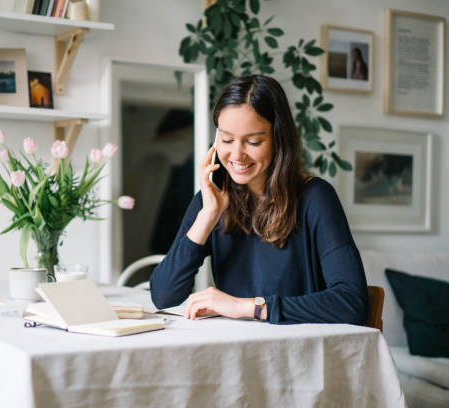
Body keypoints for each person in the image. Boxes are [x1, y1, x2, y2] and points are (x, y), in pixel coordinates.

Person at [149, 75, 369, 324]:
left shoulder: (315, 197)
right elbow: (163, 295)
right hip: (239, 350)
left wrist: (247, 307)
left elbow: (352, 303)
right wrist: (208, 216)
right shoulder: (210, 200)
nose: (237, 154)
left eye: (253, 141)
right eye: (226, 139)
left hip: (301, 353)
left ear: (279, 139)